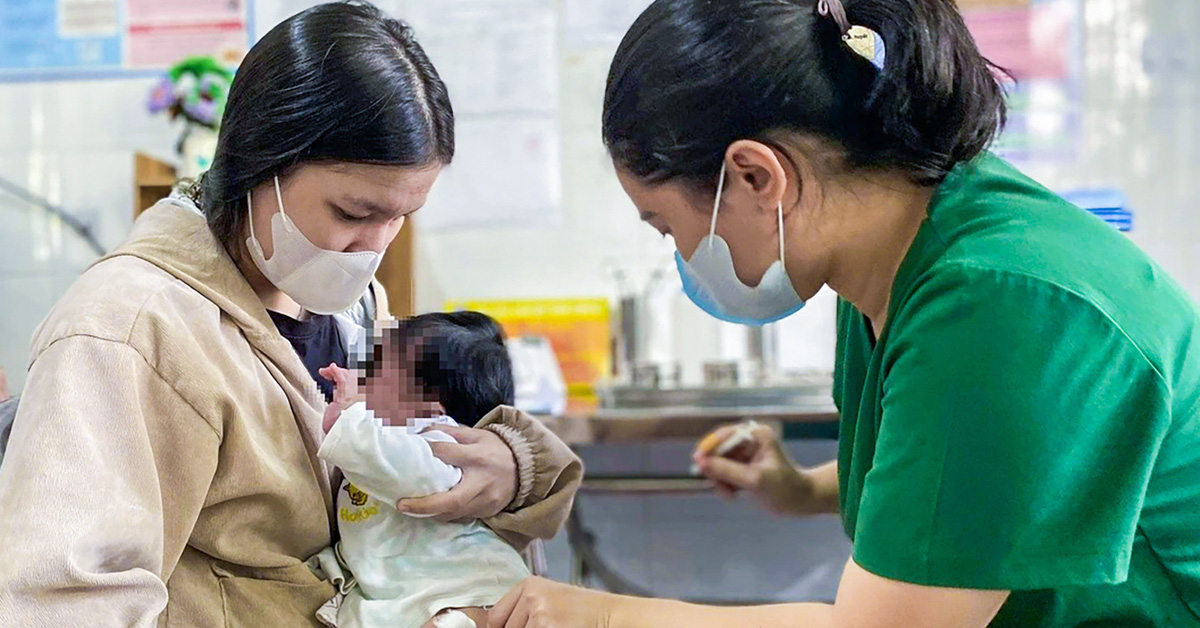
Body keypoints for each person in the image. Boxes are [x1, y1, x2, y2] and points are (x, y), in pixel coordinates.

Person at [486, 0, 1200, 626]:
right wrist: (797, 487)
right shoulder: (894, 256)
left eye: (667, 228)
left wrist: (600, 614)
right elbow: (955, 475)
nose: (680, 255)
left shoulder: (998, 305)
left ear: (758, 176)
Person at [0, 4, 579, 625]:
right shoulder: (130, 328)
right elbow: (64, 602)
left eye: (400, 218)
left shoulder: (352, 305)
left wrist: (509, 462)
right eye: (354, 214)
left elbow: (400, 466)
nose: (374, 246)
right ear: (261, 163)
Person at [313, 313, 568, 628]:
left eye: (378, 375)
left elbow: (410, 473)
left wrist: (351, 416)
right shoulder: (387, 439)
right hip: (404, 594)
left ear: (428, 410)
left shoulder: (444, 442)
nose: (363, 377)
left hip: (465, 592)